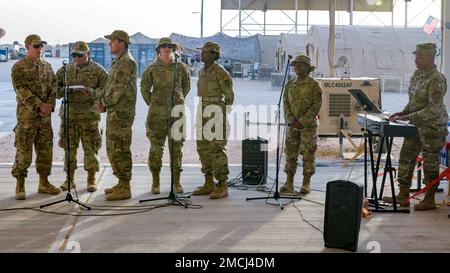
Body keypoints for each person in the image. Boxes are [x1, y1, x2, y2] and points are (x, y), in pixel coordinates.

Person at [383, 43, 448, 210]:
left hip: (432, 128)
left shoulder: (436, 79)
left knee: (430, 163)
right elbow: (414, 101)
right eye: (416, 56)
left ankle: (429, 199)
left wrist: (408, 116)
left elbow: (434, 108)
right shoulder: (417, 75)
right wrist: (402, 112)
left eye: (420, 57)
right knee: (405, 158)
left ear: (430, 57)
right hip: (415, 126)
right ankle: (403, 195)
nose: (416, 60)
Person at [11, 34, 61, 200]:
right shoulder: (18, 67)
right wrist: (40, 105)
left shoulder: (47, 66)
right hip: (27, 118)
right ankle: (20, 185)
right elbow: (21, 90)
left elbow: (54, 88)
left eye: (41, 46)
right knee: (24, 151)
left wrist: (49, 105)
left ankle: (44, 182)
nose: (39, 49)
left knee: (46, 150)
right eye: (36, 46)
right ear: (27, 47)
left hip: (45, 118)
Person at [55, 41, 108, 192]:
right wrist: (67, 90)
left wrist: (91, 92)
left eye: (80, 55)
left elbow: (106, 90)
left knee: (91, 148)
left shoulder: (99, 71)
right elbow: (55, 90)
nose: (77, 58)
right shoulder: (65, 70)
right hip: (69, 116)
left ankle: (91, 179)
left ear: (88, 54)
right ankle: (69, 179)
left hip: (89, 116)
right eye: (74, 55)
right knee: (69, 149)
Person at [140, 37, 191, 194]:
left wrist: (177, 100)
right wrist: (155, 104)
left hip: (177, 114)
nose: (167, 48)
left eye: (170, 46)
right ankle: (155, 182)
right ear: (159, 50)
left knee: (177, 149)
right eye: (164, 46)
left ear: (173, 49)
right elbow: (144, 88)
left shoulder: (181, 68)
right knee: (156, 148)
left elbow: (186, 87)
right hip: (157, 115)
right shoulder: (151, 69)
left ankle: (176, 182)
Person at [95, 30, 137, 201]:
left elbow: (116, 89)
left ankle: (125, 186)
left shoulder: (126, 62)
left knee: (120, 148)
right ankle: (121, 182)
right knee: (113, 147)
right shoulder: (119, 61)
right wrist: (105, 103)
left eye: (112, 41)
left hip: (121, 112)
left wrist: (104, 103)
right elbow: (110, 86)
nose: (109, 44)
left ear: (121, 43)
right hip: (116, 111)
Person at [193, 42, 234, 199]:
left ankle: (222, 185)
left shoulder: (220, 72)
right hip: (201, 110)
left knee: (216, 149)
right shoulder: (202, 71)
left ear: (213, 54)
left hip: (216, 111)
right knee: (202, 147)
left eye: (205, 52)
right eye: (202, 51)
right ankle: (208, 182)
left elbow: (229, 96)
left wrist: (222, 114)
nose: (202, 54)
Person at [280, 55, 322, 195]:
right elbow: (285, 103)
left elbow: (316, 105)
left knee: (308, 154)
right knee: (290, 154)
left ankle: (306, 182)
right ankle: (289, 182)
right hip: (292, 125)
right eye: (295, 65)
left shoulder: (314, 85)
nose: (297, 67)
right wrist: (291, 120)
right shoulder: (290, 84)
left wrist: (302, 121)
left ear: (307, 68)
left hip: (308, 126)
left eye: (300, 65)